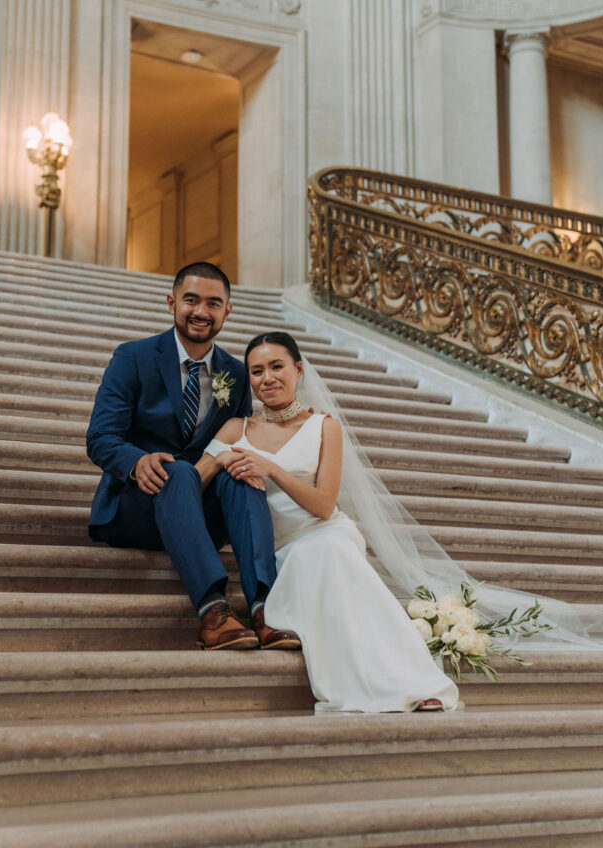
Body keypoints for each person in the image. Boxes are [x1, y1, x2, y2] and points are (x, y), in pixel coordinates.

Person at [197, 331, 459, 712]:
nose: (267, 378)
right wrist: (219, 459)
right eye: (256, 371)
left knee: (331, 551)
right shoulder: (237, 429)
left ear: (298, 370)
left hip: (324, 531)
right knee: (316, 560)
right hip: (278, 548)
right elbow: (194, 481)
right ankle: (366, 683)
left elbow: (323, 505)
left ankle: (414, 681)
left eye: (276, 367)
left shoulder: (324, 427)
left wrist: (272, 469)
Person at [86, 263, 300, 653]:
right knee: (179, 470)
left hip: (198, 512)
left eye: (213, 303)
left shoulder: (236, 374)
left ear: (227, 311)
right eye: (191, 300)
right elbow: (100, 438)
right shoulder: (133, 357)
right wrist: (136, 462)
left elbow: (245, 433)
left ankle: (264, 608)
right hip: (137, 506)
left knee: (242, 470)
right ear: (172, 303)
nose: (201, 311)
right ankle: (213, 611)